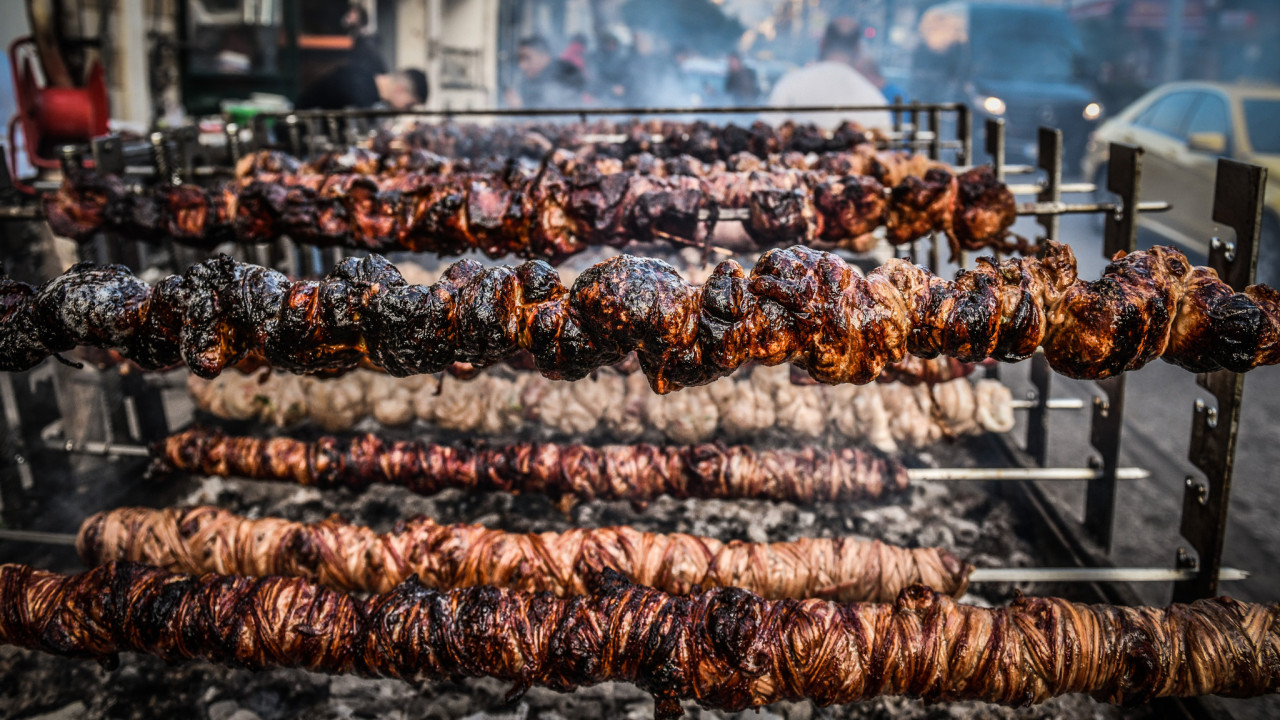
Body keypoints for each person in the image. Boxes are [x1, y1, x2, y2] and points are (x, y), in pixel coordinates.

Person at [764, 17, 890, 130]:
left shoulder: (790, 84)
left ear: (822, 43)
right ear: (858, 48)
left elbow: (767, 128)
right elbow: (885, 142)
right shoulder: (873, 98)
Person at [296, 64, 428, 110]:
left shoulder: (366, 79)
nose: (406, 110)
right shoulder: (359, 88)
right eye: (409, 104)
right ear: (401, 89)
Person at [504, 35, 585, 109]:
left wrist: (522, 107)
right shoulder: (526, 81)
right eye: (519, 59)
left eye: (527, 58)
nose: (522, 65)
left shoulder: (567, 73)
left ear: (544, 56)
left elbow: (559, 111)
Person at [341, 2, 387, 74]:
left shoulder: (367, 36)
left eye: (354, 12)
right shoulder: (349, 34)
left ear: (360, 15)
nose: (349, 15)